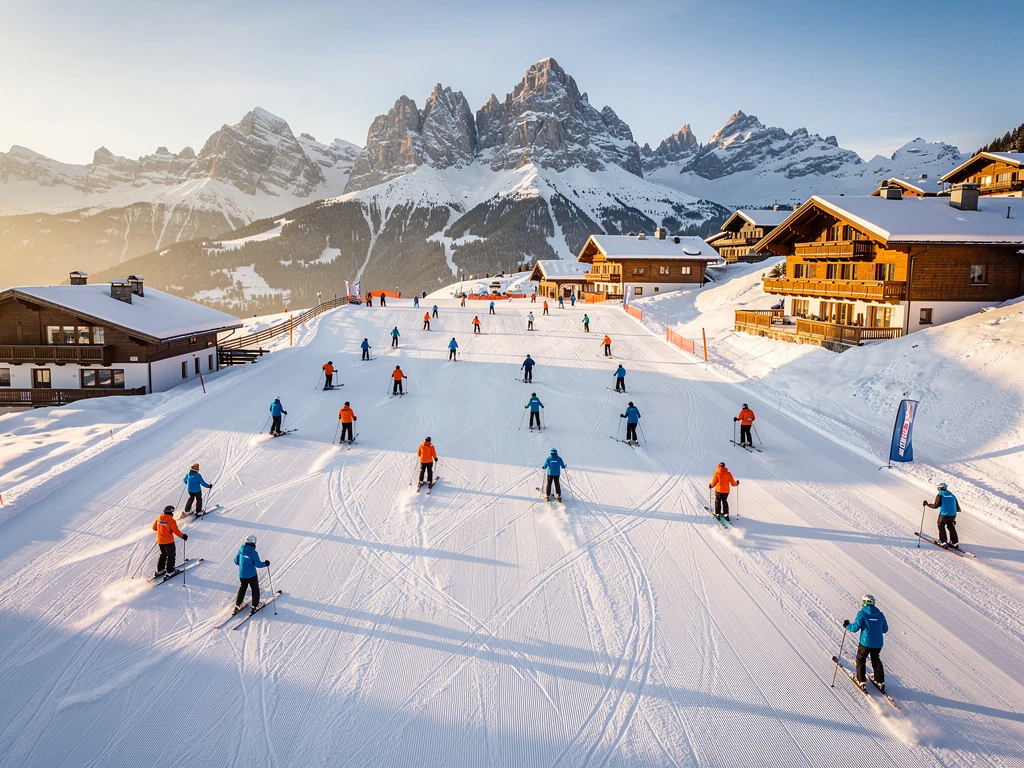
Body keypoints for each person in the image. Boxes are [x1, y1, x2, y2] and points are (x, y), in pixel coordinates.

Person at [843, 594, 888, 693]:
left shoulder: (862, 614)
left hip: (866, 642)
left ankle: (861, 681)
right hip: (878, 643)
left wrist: (847, 625)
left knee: (860, 659)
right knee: (876, 659)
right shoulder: (880, 615)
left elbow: (855, 628)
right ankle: (880, 682)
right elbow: (885, 629)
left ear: (864, 602)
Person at [234, 535, 269, 615]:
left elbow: (236, 561)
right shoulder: (253, 553)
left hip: (242, 574)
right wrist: (265, 564)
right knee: (255, 589)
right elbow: (258, 564)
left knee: (242, 587)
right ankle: (255, 606)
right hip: (251, 575)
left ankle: (238, 605)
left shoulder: (241, 549)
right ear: (253, 542)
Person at [152, 505, 187, 578]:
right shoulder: (171, 521)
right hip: (168, 541)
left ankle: (160, 570)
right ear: (171, 512)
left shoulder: (159, 517)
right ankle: (170, 570)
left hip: (160, 541)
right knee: (171, 555)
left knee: (163, 554)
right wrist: (182, 536)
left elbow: (154, 528)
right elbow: (175, 531)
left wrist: (162, 530)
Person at [923, 482, 961, 548]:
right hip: (953, 514)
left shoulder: (940, 495)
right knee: (950, 526)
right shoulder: (952, 495)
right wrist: (952, 518)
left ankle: (943, 541)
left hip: (944, 514)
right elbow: (958, 508)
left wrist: (927, 504)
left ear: (940, 488)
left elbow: (936, 505)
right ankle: (954, 542)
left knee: (940, 525)